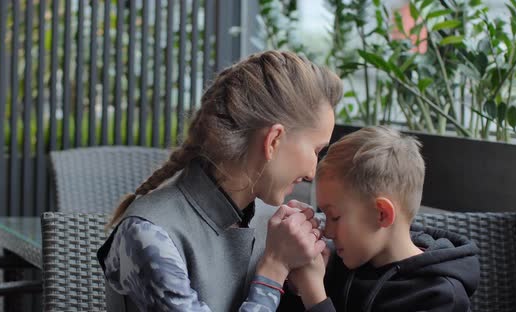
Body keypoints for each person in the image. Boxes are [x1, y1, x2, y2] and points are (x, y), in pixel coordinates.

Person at [96, 50, 343, 311]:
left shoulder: (279, 226)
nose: (312, 173)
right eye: (316, 151)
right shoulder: (148, 235)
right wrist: (274, 269)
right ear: (273, 141)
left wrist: (304, 282)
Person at [287, 126, 480, 311]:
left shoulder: (440, 297)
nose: (327, 232)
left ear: (382, 214)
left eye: (335, 217)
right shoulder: (344, 263)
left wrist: (314, 295)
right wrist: (299, 288)